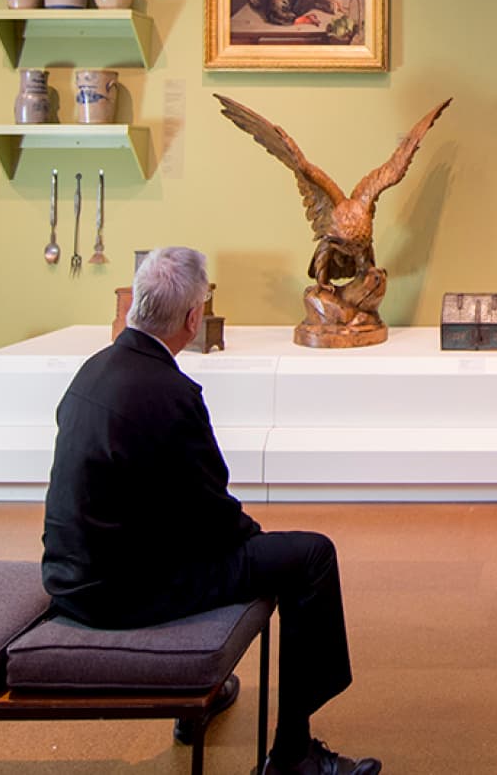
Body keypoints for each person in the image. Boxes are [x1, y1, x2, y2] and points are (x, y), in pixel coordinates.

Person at [42, 246, 378, 775]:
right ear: (194, 318)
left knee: (254, 549)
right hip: (124, 591)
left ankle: (207, 693)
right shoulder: (170, 391)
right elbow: (211, 512)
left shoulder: (94, 371)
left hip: (71, 574)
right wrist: (254, 539)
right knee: (310, 557)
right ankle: (293, 755)